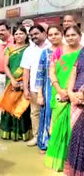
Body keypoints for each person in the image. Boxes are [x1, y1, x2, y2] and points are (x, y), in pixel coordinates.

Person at [45, 25, 82, 172]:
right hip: (59, 94)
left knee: (71, 129)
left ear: (79, 35)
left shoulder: (82, 52)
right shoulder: (59, 51)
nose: (71, 38)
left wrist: (71, 92)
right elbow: (52, 72)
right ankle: (56, 161)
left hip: (75, 95)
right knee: (57, 127)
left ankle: (69, 163)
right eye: (68, 35)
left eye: (74, 35)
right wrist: (60, 90)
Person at [20, 25, 51, 147]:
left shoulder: (52, 47)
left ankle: (49, 139)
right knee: (35, 113)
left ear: (44, 33)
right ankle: (37, 137)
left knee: (50, 113)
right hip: (34, 87)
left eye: (36, 34)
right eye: (31, 35)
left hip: (51, 87)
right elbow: (26, 71)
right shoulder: (29, 50)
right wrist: (26, 89)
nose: (34, 37)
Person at [0, 26, 31, 141]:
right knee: (9, 104)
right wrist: (12, 79)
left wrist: (24, 82)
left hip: (25, 81)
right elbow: (5, 66)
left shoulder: (30, 49)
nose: (18, 36)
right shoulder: (10, 49)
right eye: (16, 34)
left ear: (26, 35)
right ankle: (8, 131)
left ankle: (22, 133)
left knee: (22, 106)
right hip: (11, 81)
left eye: (21, 34)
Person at [36, 25, 64, 152]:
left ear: (62, 34)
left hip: (65, 89)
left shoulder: (69, 51)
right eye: (50, 35)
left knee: (62, 117)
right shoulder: (45, 53)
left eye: (56, 34)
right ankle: (45, 144)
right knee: (47, 115)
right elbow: (40, 74)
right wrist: (40, 94)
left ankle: (60, 147)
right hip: (48, 90)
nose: (53, 37)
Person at [64, 47, 84, 176]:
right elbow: (74, 70)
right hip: (76, 98)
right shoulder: (83, 52)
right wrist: (70, 92)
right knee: (77, 138)